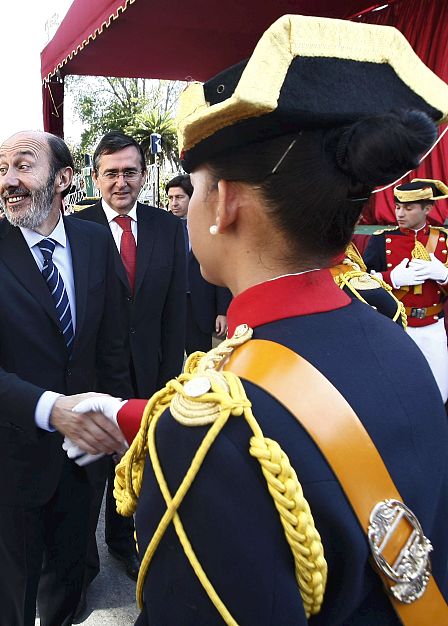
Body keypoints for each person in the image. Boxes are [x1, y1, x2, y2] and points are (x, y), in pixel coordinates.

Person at [73, 14, 448, 624]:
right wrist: (129, 416)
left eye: (194, 188)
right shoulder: (390, 335)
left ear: (223, 204)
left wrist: (170, 429)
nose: (188, 204)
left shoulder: (210, 431)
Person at [0, 130, 132, 626]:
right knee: (12, 602)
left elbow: (112, 348)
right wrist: (54, 410)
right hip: (8, 462)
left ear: (63, 179)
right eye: (2, 167)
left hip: (84, 463)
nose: (8, 180)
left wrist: (119, 427)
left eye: (23, 166)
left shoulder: (96, 242)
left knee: (69, 591)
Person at [72, 131, 186, 597]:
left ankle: (124, 541)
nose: (121, 181)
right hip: (93, 377)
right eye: (111, 172)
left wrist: (171, 378)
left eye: (130, 172)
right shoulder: (74, 228)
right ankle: (79, 568)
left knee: (136, 466)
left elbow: (173, 311)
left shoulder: (168, 228)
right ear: (96, 177)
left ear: (143, 176)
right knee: (86, 474)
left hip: (150, 375)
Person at [364, 178, 448, 401]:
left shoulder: (444, 240)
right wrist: (391, 278)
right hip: (396, 326)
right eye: (398, 207)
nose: (400, 213)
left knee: (439, 394)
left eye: (408, 208)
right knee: (396, 393)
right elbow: (358, 282)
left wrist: (444, 275)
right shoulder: (382, 240)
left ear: (427, 209)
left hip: (432, 328)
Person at [166, 174, 231, 354]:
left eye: (179, 197)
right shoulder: (162, 228)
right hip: (171, 307)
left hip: (200, 307)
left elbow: (220, 269)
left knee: (201, 361)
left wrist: (223, 311)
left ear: (192, 197)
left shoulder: (210, 227)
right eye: (170, 198)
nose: (174, 203)